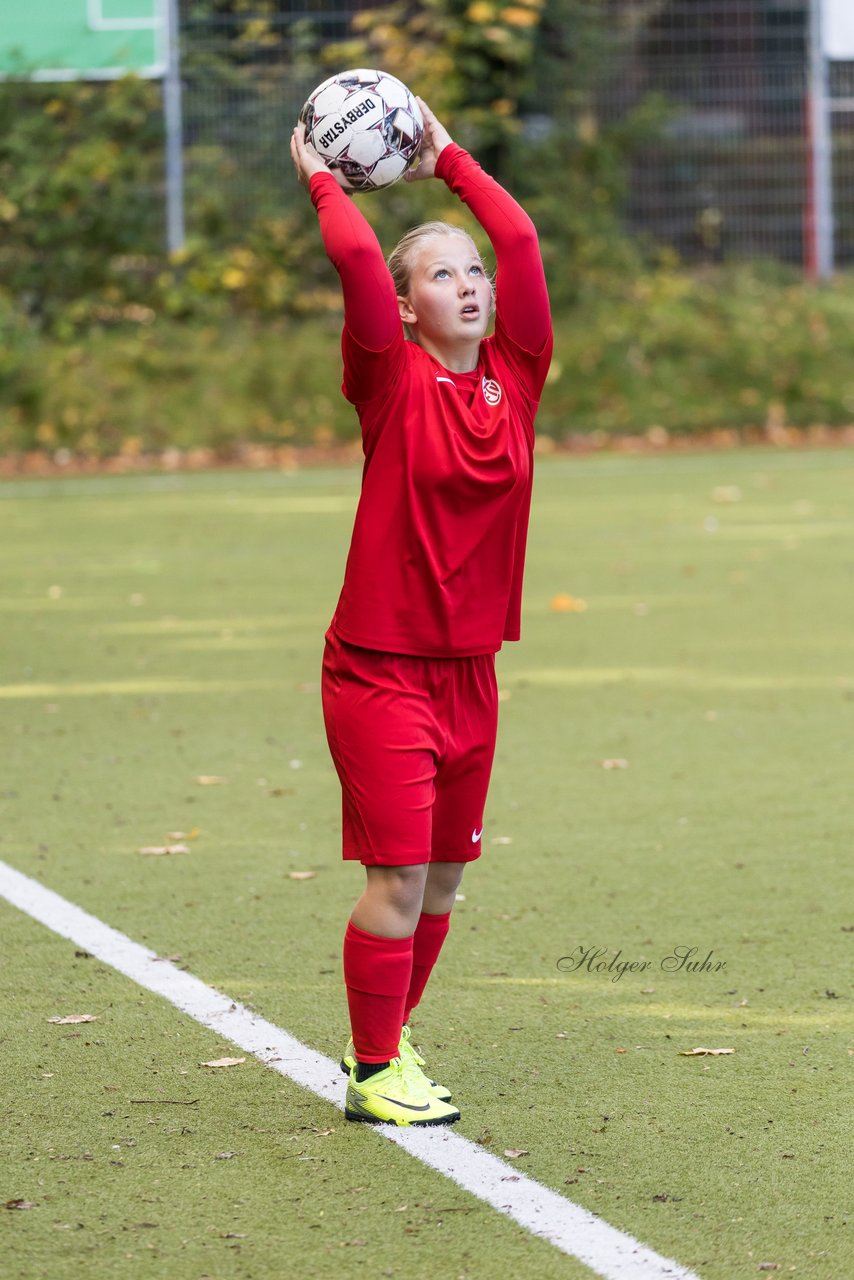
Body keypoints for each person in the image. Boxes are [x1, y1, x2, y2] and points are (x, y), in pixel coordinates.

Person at [290, 97, 552, 1127]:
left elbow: (520, 239)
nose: (470, 283)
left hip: (469, 673)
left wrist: (447, 157)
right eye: (441, 275)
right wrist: (320, 175)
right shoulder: (388, 379)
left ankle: (389, 1042)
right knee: (397, 881)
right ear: (405, 309)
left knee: (441, 885)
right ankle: (371, 1069)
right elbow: (358, 261)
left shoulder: (515, 379)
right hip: (378, 669)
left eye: (471, 271)